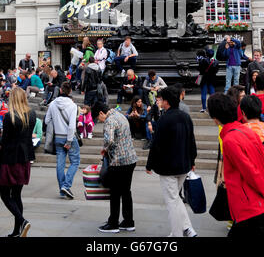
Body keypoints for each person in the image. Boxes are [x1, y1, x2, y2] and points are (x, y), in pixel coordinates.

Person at [207, 92, 264, 237]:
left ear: (215, 119)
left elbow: (250, 172)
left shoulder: (230, 140)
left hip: (249, 207)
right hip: (254, 204)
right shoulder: (246, 130)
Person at [146, 87, 197, 237]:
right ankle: (187, 228)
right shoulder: (185, 117)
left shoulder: (164, 119)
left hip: (168, 167)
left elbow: (156, 144)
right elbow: (191, 141)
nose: (160, 102)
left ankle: (177, 234)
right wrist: (192, 159)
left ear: (166, 101)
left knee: (172, 202)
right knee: (175, 199)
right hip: (184, 165)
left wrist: (149, 164)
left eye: (161, 99)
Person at [91, 101, 137, 233]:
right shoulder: (120, 115)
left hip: (118, 161)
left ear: (101, 113)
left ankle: (113, 223)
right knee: (126, 192)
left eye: (98, 118)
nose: (99, 121)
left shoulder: (109, 120)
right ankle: (128, 221)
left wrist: (104, 149)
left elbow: (109, 140)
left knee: (115, 193)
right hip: (130, 159)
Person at [0, 87, 36, 237]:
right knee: (16, 195)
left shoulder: (10, 117)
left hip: (10, 159)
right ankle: (17, 230)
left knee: (4, 194)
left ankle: (22, 221)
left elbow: (5, 140)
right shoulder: (32, 114)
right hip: (25, 158)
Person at [45, 82, 80, 200]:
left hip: (58, 137)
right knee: (75, 161)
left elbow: (46, 120)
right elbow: (71, 126)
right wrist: (69, 141)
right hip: (68, 137)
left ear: (60, 90)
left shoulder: (53, 104)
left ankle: (62, 189)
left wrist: (56, 123)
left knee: (60, 163)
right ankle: (66, 185)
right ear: (70, 91)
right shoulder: (72, 105)